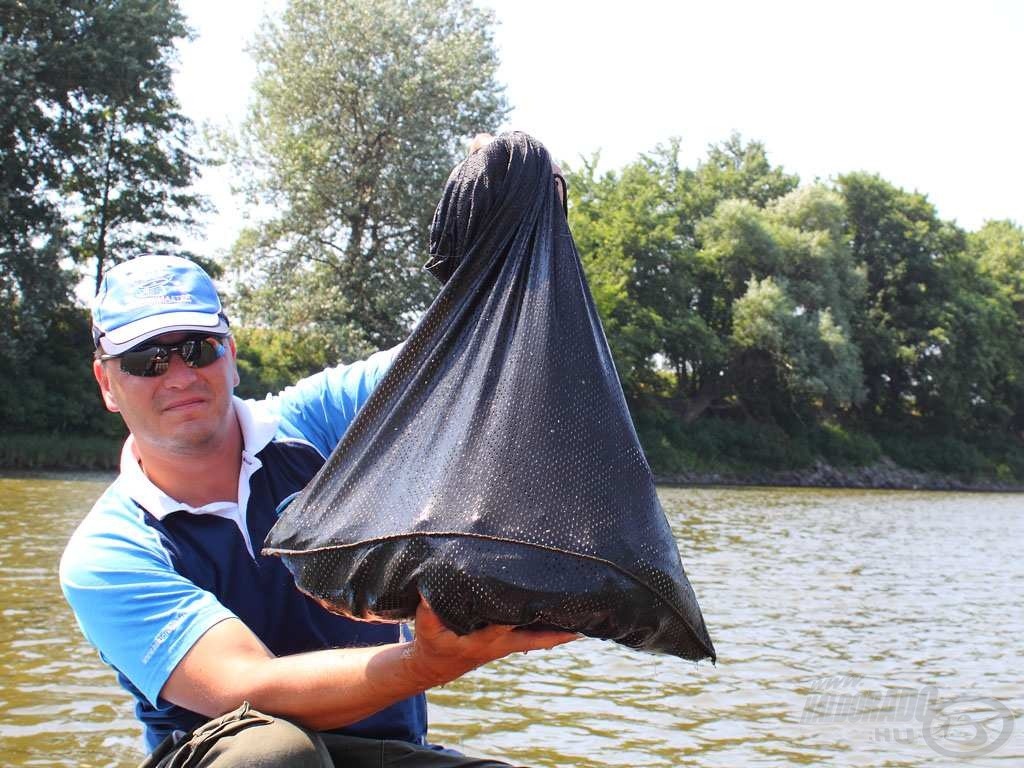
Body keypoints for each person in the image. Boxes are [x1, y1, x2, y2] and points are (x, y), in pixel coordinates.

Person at [59, 251, 577, 768]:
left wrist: (517, 232)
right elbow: (244, 687)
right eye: (145, 360)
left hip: (384, 752)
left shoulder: (316, 425)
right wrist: (424, 663)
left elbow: (466, 354)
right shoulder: (108, 554)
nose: (178, 376)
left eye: (198, 349)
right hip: (235, 756)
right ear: (107, 383)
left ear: (230, 355)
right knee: (276, 755)